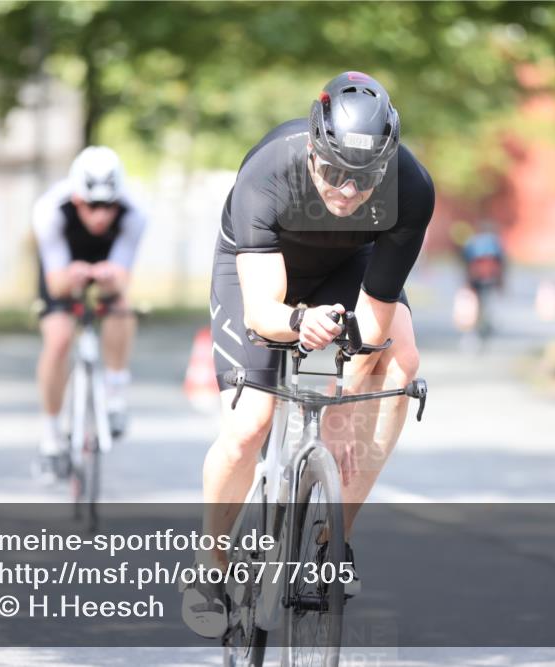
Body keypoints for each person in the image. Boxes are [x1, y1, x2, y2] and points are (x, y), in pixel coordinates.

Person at [181, 71, 435, 637]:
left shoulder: (411, 188)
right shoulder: (270, 171)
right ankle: (210, 560)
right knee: (252, 423)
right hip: (266, 280)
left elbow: (373, 324)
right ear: (315, 150)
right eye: (336, 172)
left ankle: (332, 542)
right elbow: (263, 313)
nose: (347, 191)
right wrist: (299, 322)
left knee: (401, 364)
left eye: (364, 179)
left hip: (348, 268)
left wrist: (345, 403)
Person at [31, 146, 149, 483]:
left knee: (120, 307)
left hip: (109, 261)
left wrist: (110, 276)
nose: (100, 216)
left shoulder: (136, 211)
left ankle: (114, 392)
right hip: (63, 267)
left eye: (108, 206)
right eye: (91, 206)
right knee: (59, 338)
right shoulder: (50, 210)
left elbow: (124, 276)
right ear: (76, 199)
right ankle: (51, 436)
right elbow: (55, 285)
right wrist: (74, 274)